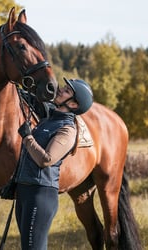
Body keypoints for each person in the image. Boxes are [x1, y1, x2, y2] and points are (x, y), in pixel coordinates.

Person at [15, 77, 94, 249]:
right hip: (25, 191)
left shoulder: (67, 129)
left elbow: (46, 160)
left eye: (66, 91)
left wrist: (28, 137)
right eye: (64, 87)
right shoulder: (49, 119)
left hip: (40, 195)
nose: (60, 89)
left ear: (73, 104)